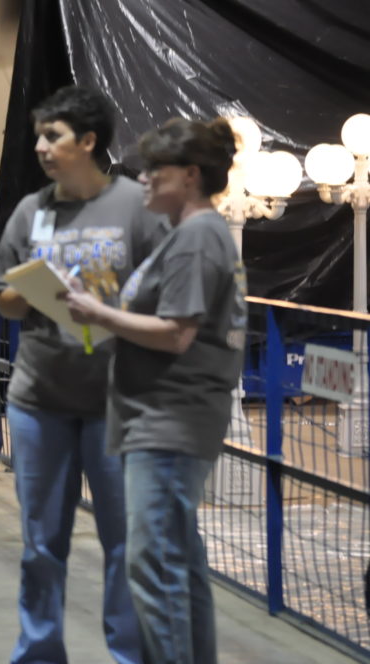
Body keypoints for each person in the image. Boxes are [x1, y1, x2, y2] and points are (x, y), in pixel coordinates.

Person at [0, 85, 168, 664]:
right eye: (38, 136)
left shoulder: (137, 207)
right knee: (41, 545)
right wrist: (32, 292)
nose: (40, 147)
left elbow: (167, 295)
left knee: (126, 544)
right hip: (39, 399)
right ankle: (39, 651)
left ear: (88, 141)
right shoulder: (30, 212)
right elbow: (5, 301)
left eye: (53, 136)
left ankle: (129, 655)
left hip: (119, 401)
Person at [63, 117, 247, 663]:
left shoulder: (195, 238)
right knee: (179, 564)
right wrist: (98, 309)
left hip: (169, 421)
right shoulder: (191, 235)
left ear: (189, 175)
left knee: (154, 564)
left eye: (154, 171)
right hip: (164, 418)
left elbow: (177, 334)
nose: (142, 180)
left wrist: (99, 314)